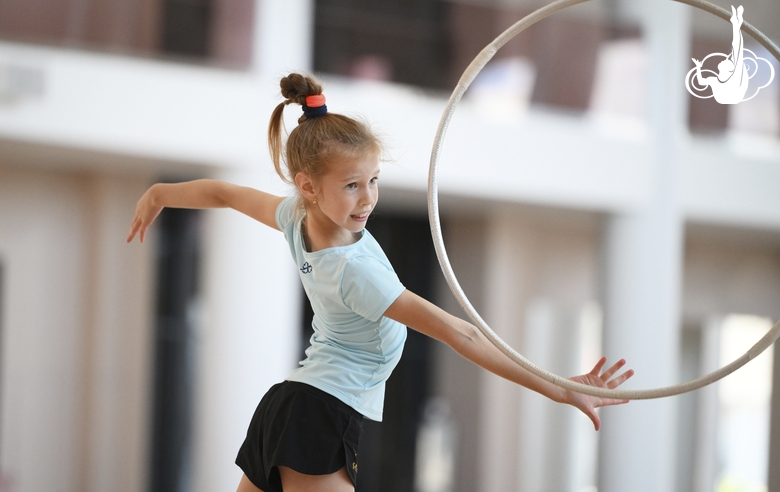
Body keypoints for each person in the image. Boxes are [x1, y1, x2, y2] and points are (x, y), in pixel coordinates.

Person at [127, 73, 634, 492]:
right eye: (351, 186)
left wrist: (160, 193)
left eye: (372, 180)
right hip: (319, 412)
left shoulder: (296, 216)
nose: (367, 199)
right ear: (309, 185)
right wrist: (560, 388)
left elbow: (223, 193)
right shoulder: (354, 272)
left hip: (293, 405)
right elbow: (464, 334)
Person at [692, 5, 749, 104]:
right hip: (726, 97)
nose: (725, 59)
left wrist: (736, 25)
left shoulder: (733, 79)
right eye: (728, 60)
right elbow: (701, 81)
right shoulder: (715, 80)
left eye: (728, 61)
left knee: (737, 49)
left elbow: (737, 48)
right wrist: (698, 67)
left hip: (730, 97)